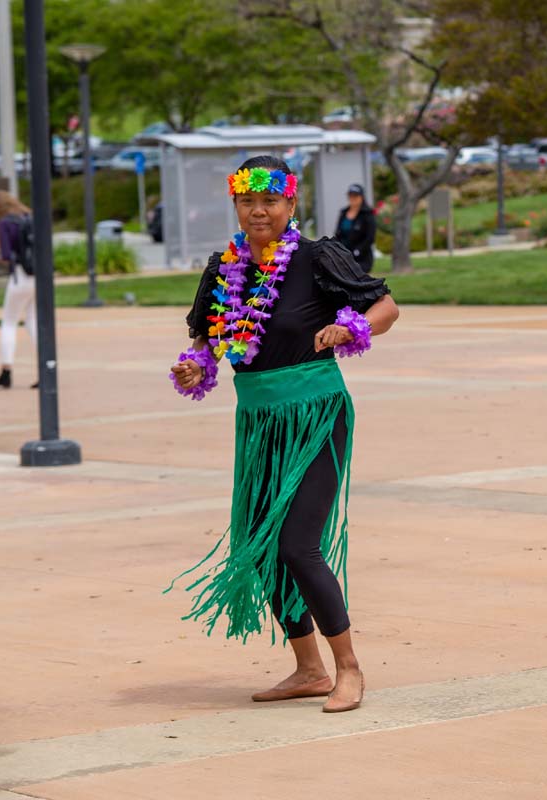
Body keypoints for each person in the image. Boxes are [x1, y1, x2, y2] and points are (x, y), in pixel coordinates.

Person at [168, 155, 400, 714]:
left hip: (315, 414)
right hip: (259, 421)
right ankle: (309, 669)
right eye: (248, 201)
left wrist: (349, 327)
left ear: (290, 202)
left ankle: (349, 668)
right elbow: (207, 339)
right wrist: (197, 365)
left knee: (298, 543)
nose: (258, 211)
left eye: (269, 200)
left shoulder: (318, 257)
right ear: (236, 204)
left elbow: (386, 307)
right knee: (263, 546)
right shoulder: (222, 270)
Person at [0, 190, 37, 389]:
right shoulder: (29, 217)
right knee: (33, 320)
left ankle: (6, 370)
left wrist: (4, 257)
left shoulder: (4, 223)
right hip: (38, 276)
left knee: (9, 322)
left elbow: (6, 254)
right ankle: (47, 366)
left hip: (20, 276)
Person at [333, 183, 376, 271]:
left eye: (356, 196)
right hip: (343, 255)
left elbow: (370, 237)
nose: (353, 198)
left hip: (361, 257)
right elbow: (338, 234)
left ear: (362, 197)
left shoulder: (367, 214)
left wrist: (358, 251)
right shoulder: (343, 212)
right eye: (351, 195)